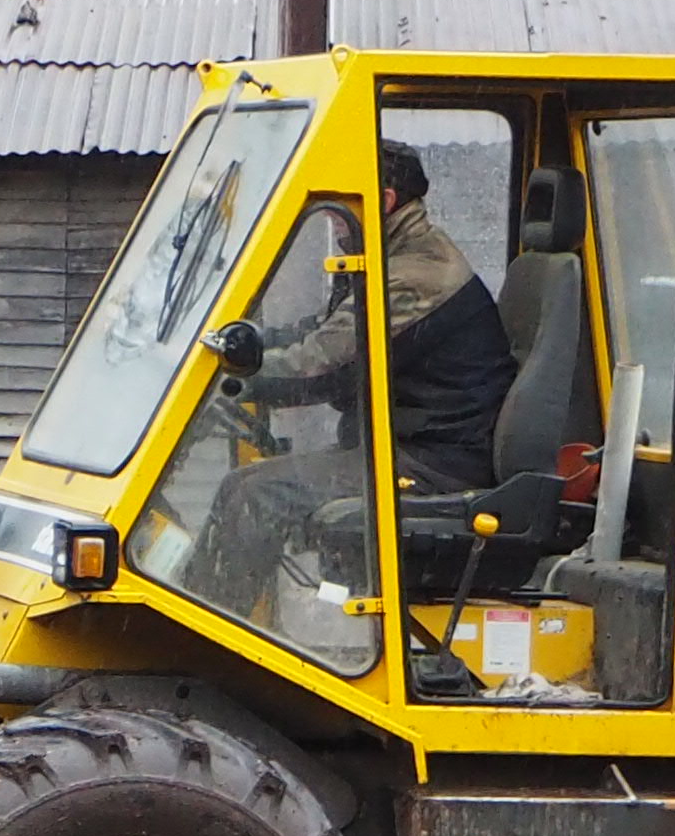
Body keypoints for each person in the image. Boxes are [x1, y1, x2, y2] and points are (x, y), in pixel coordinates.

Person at [175, 144, 516, 625]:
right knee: (250, 486)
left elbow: (324, 367)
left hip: (434, 462)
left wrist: (233, 379)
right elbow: (322, 331)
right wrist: (237, 346)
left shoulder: (412, 277)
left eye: (342, 209)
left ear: (386, 199)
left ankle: (197, 640)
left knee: (252, 493)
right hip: (412, 446)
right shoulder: (388, 257)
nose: (335, 225)